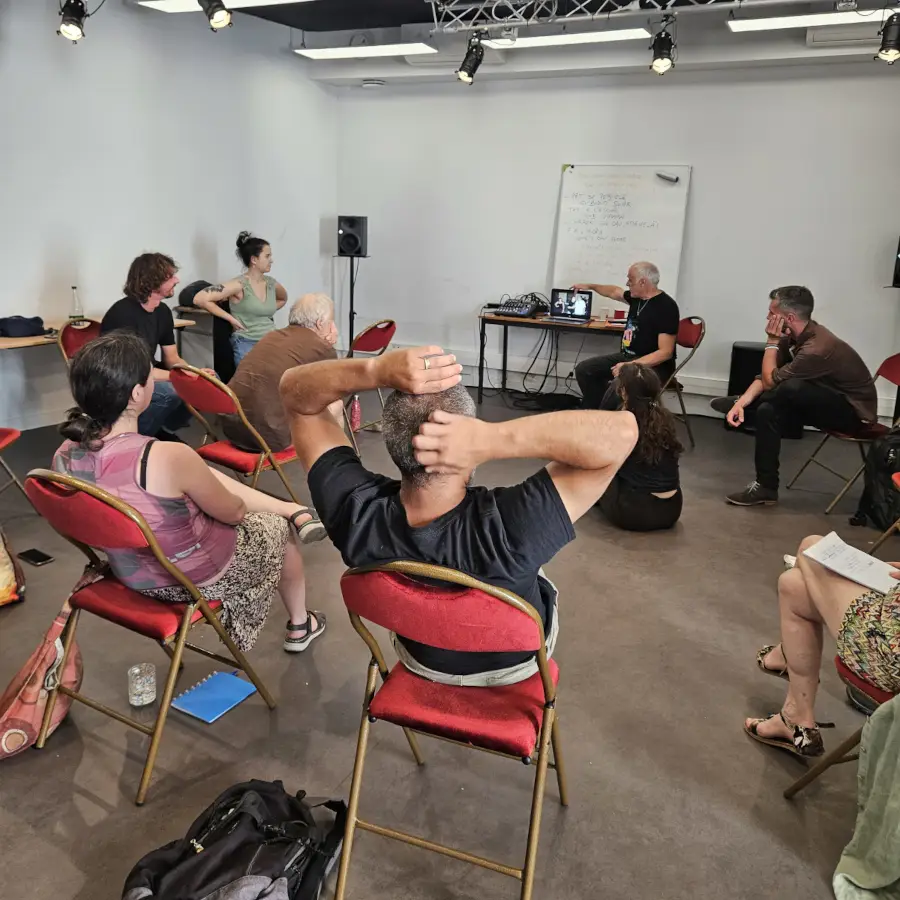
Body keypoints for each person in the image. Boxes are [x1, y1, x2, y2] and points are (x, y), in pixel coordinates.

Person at [280, 346, 638, 685]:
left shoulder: (354, 510)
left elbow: (296, 396)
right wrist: (494, 439)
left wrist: (375, 370)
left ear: (393, 446)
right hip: (512, 667)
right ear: (467, 451)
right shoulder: (516, 527)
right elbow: (623, 433)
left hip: (419, 656)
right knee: (535, 573)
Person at [53, 332, 328, 653]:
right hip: (188, 578)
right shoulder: (165, 457)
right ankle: (300, 623)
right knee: (276, 528)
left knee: (204, 479)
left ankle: (291, 509)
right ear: (137, 393)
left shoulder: (65, 455)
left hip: (128, 570)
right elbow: (235, 513)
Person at [717, 286, 877, 507]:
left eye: (772, 313)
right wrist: (741, 403)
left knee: (791, 387)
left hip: (854, 415)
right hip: (817, 402)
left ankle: (751, 405)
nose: (767, 318)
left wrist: (771, 342)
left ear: (789, 318)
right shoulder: (792, 337)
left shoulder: (817, 348)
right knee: (767, 410)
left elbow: (771, 382)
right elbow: (765, 376)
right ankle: (766, 487)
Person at [745, 535, 900, 759]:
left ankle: (788, 663)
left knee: (811, 549)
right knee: (794, 586)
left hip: (890, 653)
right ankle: (794, 714)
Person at [220, 294, 343, 453]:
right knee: (336, 404)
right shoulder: (321, 347)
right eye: (331, 321)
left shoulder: (272, 335)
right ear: (320, 323)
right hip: (269, 439)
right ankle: (336, 457)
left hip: (233, 430)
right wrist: (329, 347)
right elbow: (333, 390)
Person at [101, 253, 200, 440]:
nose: (177, 280)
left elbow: (172, 358)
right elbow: (134, 371)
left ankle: (164, 430)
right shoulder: (122, 314)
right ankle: (132, 439)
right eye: (170, 277)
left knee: (207, 383)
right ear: (151, 281)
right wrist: (178, 378)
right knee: (170, 392)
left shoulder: (162, 311)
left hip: (146, 373)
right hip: (121, 380)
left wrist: (194, 373)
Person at [572, 261, 680, 408]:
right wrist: (590, 286)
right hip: (629, 357)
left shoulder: (666, 307)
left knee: (618, 385)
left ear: (643, 282)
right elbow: (613, 292)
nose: (627, 283)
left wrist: (629, 366)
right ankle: (595, 411)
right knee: (585, 370)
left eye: (630, 280)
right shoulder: (637, 298)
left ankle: (608, 416)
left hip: (654, 366)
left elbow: (665, 353)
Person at [597, 364, 683, 532]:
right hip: (672, 509)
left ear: (623, 392)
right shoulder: (665, 419)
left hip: (635, 514)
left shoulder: (622, 422)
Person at [192, 232, 288, 364]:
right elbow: (200, 298)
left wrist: (262, 310)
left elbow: (283, 299)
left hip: (272, 340)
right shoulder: (239, 284)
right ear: (254, 260)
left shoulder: (272, 283)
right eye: (267, 256)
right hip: (247, 341)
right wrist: (231, 318)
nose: (271, 260)